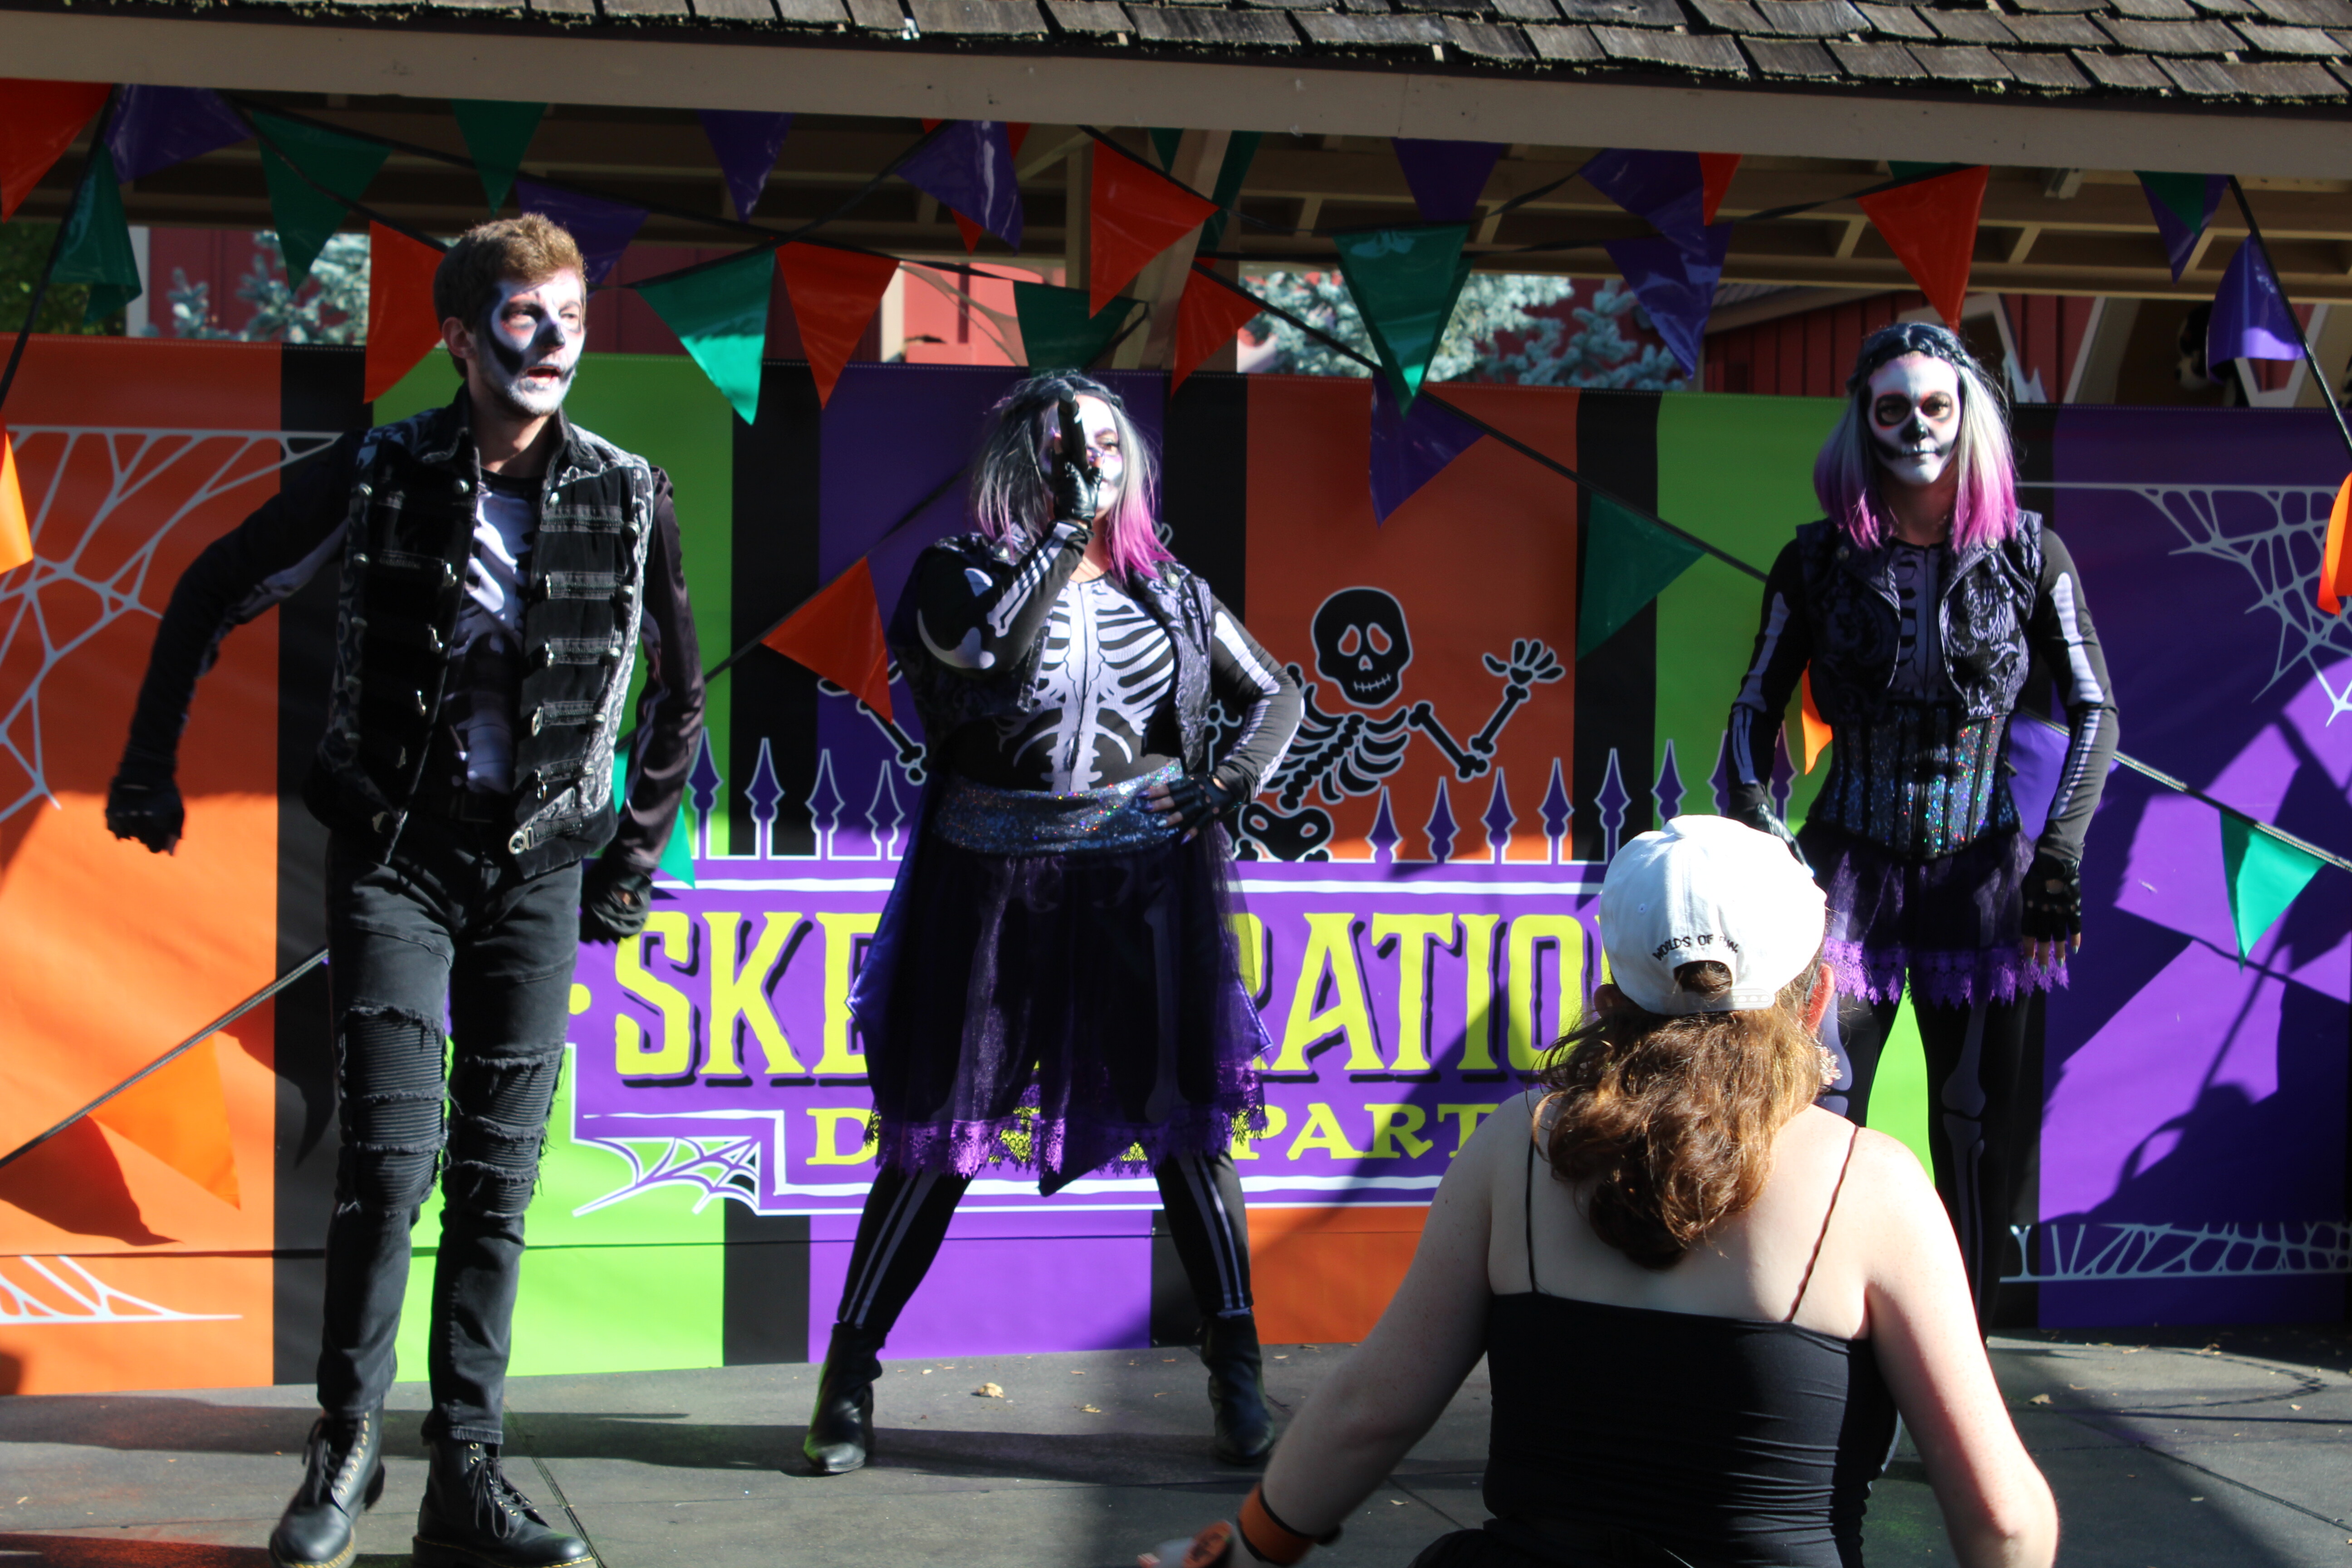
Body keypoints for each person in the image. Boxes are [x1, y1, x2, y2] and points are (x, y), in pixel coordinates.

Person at [106, 215, 703, 1568]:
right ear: (458, 337)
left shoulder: (631, 492)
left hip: (538, 867)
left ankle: (467, 1476)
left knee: (498, 1179)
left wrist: (630, 861)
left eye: (572, 316)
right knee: (388, 1161)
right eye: (525, 316)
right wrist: (147, 762)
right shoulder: (382, 471)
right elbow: (213, 583)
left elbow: (680, 696)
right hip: (395, 856)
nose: (553, 343)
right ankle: (345, 1447)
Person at [1148, 815, 2058, 1568]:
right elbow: (2004, 1519)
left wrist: (1247, 1550)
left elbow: (1369, 1412)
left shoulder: (1519, 1145)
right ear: (1816, 998)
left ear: (1608, 996)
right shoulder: (1872, 1185)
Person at [800, 371, 1304, 1476]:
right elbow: (987, 654)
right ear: (1023, 463)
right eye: (1067, 448)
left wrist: (1226, 783)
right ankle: (848, 1377)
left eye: (1108, 447)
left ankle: (1236, 1369)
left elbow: (1278, 694)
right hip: (991, 890)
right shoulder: (956, 574)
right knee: (937, 1134)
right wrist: (1066, 532)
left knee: (1186, 1127)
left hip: (1140, 886)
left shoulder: (1171, 592)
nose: (1091, 464)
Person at [1723, 321, 2118, 1329]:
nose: (1916, 428)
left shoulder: (2030, 553)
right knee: (1816, 1116)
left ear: (1968, 416)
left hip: (1984, 884)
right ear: (1863, 421)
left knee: (1974, 1132)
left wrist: (2059, 858)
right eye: (1892, 408)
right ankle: (1815, 1345)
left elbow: (2097, 711)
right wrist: (1766, 839)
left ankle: (1960, 1358)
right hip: (1844, 882)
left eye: (1936, 406)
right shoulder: (1814, 560)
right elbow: (1751, 713)